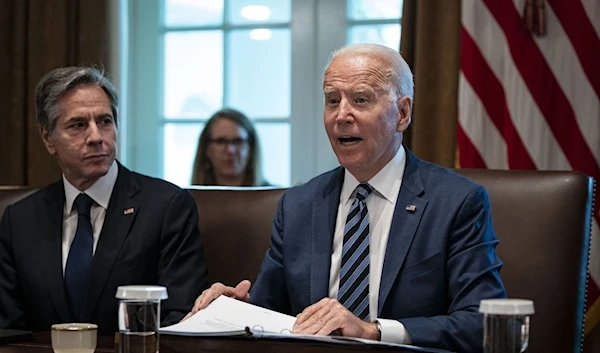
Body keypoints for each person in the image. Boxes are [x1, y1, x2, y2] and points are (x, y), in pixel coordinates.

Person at [186, 43, 506, 352]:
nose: (342, 115)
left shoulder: (456, 202)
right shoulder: (299, 205)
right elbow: (271, 312)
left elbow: (482, 322)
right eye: (331, 100)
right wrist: (237, 311)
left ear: (403, 114)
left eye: (361, 100)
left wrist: (373, 332)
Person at [0, 66, 209, 334]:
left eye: (104, 121)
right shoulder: (20, 220)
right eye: (78, 125)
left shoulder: (167, 207)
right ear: (48, 138)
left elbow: (180, 317)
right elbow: (8, 330)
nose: (96, 137)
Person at [191, 108, 267, 186]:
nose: (230, 150)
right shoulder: (188, 197)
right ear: (206, 149)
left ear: (251, 147)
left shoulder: (276, 197)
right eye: (220, 141)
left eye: (238, 141)